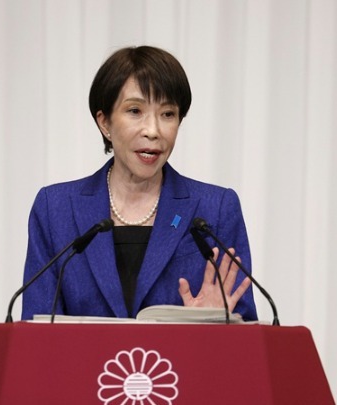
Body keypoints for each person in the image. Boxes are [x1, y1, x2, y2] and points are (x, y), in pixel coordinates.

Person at [22, 46, 257, 321]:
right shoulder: (55, 209)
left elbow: (245, 329)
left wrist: (213, 324)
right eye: (135, 111)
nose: (153, 131)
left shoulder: (214, 209)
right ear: (104, 123)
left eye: (167, 114)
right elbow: (36, 329)